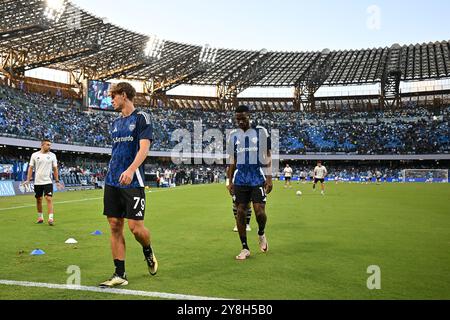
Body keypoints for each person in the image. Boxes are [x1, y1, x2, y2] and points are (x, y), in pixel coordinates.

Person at [99, 82, 157, 288]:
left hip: (133, 179)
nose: (111, 100)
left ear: (124, 95)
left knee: (136, 228)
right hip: (112, 180)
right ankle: (119, 274)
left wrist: (131, 169)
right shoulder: (115, 123)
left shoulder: (142, 118)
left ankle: (148, 250)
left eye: (113, 96)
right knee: (115, 225)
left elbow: (144, 149)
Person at [227, 105, 273, 260]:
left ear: (249, 117)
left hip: (256, 177)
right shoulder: (233, 135)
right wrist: (229, 180)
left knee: (260, 212)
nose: (240, 122)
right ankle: (244, 248)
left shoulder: (261, 131)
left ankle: (261, 233)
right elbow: (232, 161)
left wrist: (269, 177)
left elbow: (267, 155)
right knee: (240, 211)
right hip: (240, 178)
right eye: (237, 119)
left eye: (243, 118)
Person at [24, 139, 61, 226]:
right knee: (38, 199)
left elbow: (55, 169)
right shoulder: (34, 155)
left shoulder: (52, 155)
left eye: (50, 145)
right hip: (37, 182)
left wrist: (57, 181)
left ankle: (50, 218)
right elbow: (30, 168)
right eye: (48, 145)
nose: (49, 146)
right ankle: (40, 217)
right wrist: (28, 179)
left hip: (48, 181)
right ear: (42, 145)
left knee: (48, 198)